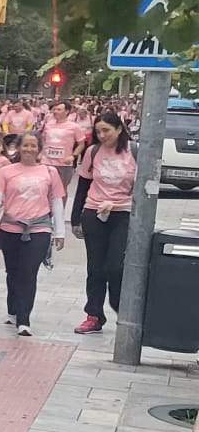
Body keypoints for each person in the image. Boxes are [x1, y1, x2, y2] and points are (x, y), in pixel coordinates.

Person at [0, 132, 68, 336]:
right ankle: (13, 309)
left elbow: (57, 202)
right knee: (13, 272)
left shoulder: (49, 172)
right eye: (25, 146)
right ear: (19, 148)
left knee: (28, 273)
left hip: (39, 229)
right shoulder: (6, 172)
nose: (29, 150)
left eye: (33, 146)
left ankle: (24, 320)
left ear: (39, 148)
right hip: (10, 229)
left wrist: (60, 232)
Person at [72, 112, 134, 334]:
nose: (102, 135)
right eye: (98, 131)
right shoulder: (93, 151)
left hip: (123, 213)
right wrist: (75, 218)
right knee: (95, 267)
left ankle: (120, 305)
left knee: (116, 266)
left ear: (119, 129)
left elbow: (143, 186)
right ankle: (94, 315)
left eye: (106, 130)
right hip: (94, 212)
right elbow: (82, 185)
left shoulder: (133, 152)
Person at [41, 101, 87, 206]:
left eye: (59, 109)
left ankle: (60, 213)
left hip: (64, 164)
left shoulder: (74, 126)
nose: (55, 112)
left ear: (66, 111)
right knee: (45, 189)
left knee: (61, 190)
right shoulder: (48, 124)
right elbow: (43, 140)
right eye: (55, 109)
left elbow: (81, 144)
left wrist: (73, 156)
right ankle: (46, 213)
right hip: (47, 162)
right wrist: (40, 154)